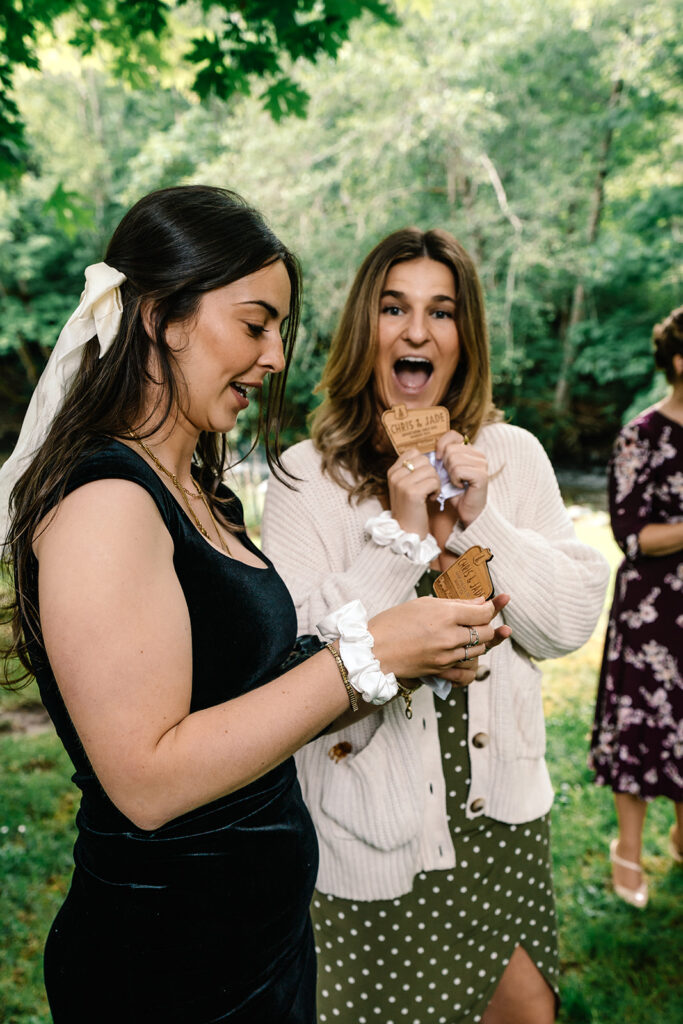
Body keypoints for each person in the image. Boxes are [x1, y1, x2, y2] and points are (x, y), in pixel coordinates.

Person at [0, 189, 508, 1024]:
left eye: (279, 330)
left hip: (257, 949)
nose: (274, 356)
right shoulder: (105, 503)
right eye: (254, 324)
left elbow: (251, 696)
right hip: (166, 972)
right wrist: (368, 657)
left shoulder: (200, 491)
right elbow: (146, 780)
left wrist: (413, 652)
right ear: (162, 318)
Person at [262, 227, 610, 1024]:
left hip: (502, 823)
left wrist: (475, 523)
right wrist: (404, 534)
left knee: (525, 1011)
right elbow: (298, 662)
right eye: (394, 308)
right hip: (369, 834)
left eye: (441, 311)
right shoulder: (304, 478)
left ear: (463, 337)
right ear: (365, 328)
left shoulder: (512, 454)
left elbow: (564, 625)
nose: (416, 330)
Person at [589, 305, 683, 909]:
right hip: (653, 611)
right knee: (642, 727)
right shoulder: (640, 436)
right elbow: (631, 534)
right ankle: (627, 850)